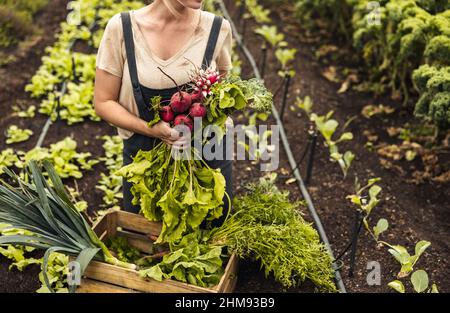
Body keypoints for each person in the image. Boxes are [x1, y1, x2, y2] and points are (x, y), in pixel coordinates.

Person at [93, 0, 233, 225]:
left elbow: (223, 95)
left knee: (213, 236)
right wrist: (153, 130)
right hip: (145, 162)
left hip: (207, 158)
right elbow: (103, 101)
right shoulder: (123, 28)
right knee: (143, 237)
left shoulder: (217, 29)